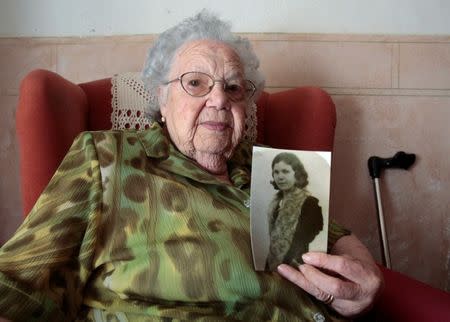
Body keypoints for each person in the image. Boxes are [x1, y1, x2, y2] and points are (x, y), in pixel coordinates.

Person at [0, 11, 382, 321]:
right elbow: (17, 281)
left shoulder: (271, 167)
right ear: (162, 101)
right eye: (196, 82)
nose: (219, 99)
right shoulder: (107, 158)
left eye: (233, 88)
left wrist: (363, 280)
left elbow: (335, 236)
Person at [266, 152, 324, 271]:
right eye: (276, 172)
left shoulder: (309, 203)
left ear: (297, 174)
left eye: (285, 171)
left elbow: (305, 238)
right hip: (271, 265)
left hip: (295, 267)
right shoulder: (275, 203)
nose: (280, 177)